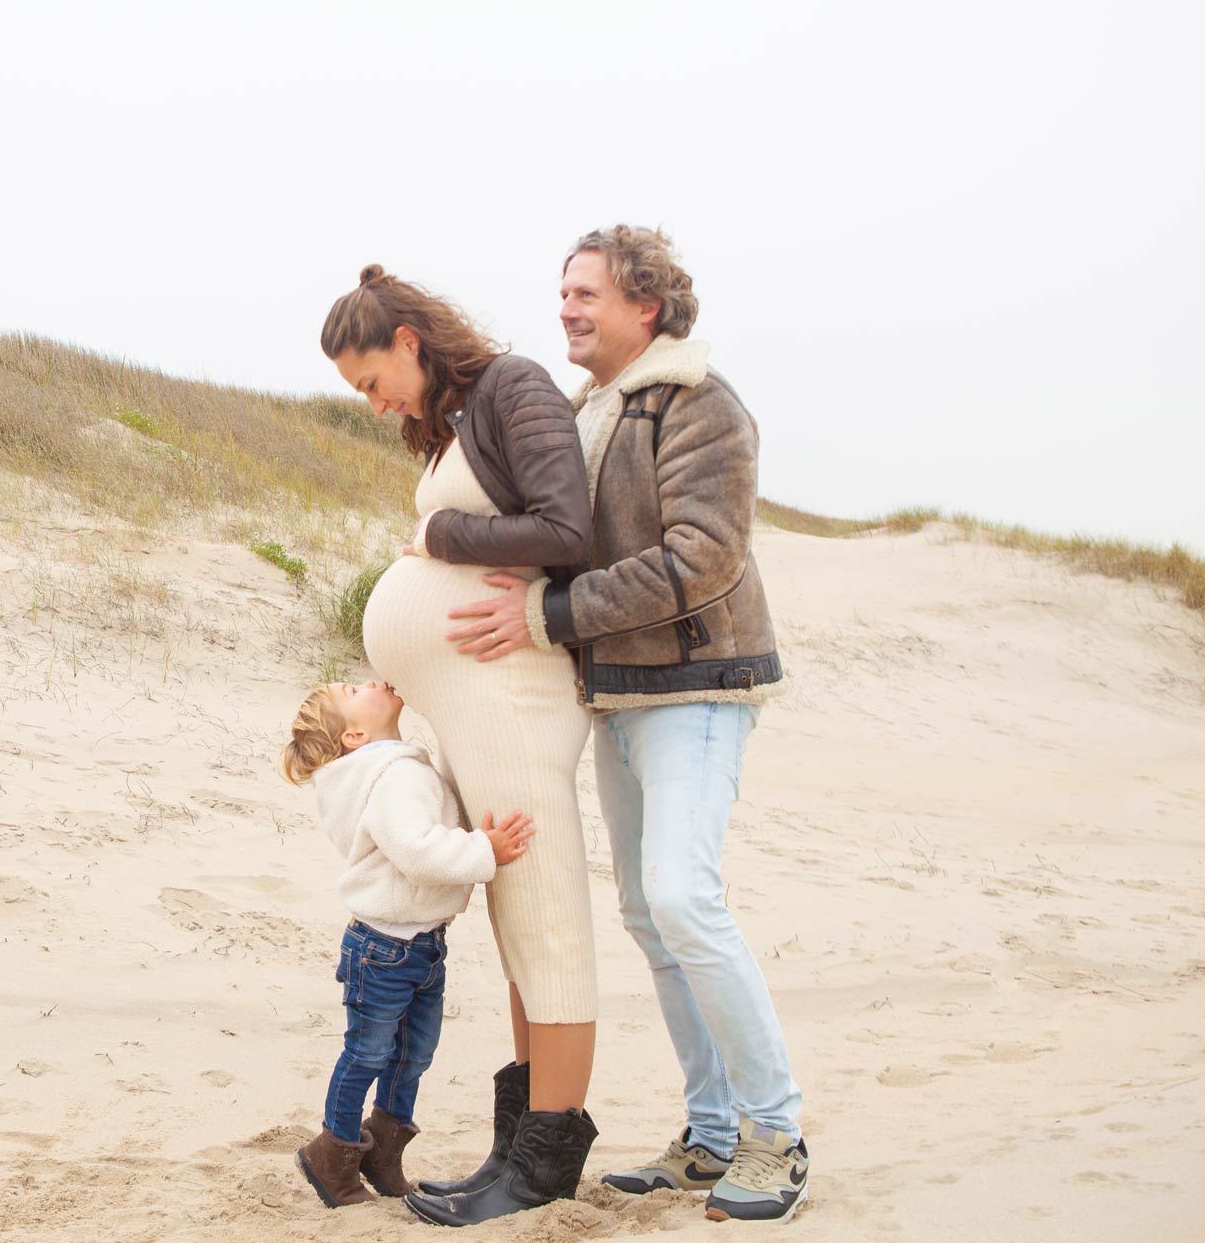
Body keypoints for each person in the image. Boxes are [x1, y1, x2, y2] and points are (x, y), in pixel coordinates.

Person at [442, 226, 809, 1224]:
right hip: (617, 694)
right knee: (653, 919)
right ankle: (708, 1136)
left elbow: (702, 559)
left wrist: (545, 616)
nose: (565, 307)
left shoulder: (698, 404)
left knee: (682, 901)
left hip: (697, 684)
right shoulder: (586, 410)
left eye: (586, 293)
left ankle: (774, 1134)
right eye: (560, 292)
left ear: (646, 307)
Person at [321, 266, 603, 1226]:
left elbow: (568, 530)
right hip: (476, 703)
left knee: (548, 918)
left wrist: (439, 531)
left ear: (408, 339)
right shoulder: (455, 419)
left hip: (516, 699)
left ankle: (549, 1158)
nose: (371, 403)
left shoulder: (515, 387)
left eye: (370, 379)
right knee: (517, 924)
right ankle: (517, 1149)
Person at [280, 677, 536, 1209]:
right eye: (354, 688)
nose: (370, 680)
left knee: (412, 1055)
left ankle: (384, 1152)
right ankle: (333, 1152)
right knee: (368, 1053)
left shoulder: (396, 767)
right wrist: (483, 849)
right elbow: (418, 851)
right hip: (383, 948)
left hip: (420, 945)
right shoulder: (391, 777)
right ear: (353, 735)